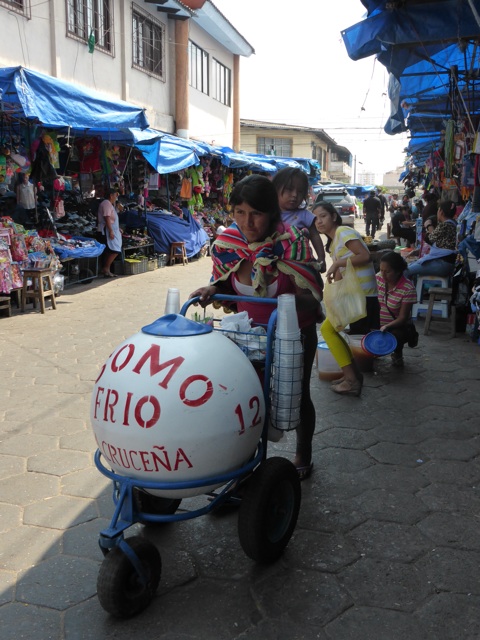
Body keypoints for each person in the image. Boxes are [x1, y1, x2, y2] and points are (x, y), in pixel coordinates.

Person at [190, 174, 323, 480]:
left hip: (294, 334)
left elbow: (313, 293)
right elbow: (226, 278)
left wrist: (287, 302)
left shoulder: (292, 242)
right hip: (247, 335)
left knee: (297, 395)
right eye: (239, 213)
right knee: (244, 394)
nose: (247, 223)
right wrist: (212, 288)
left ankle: (303, 453)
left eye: (256, 214)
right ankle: (244, 458)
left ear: (271, 214)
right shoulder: (228, 244)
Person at [313, 201, 379, 397]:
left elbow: (365, 256)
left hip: (363, 294)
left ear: (333, 216)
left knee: (327, 330)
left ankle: (352, 378)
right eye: (315, 218)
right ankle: (352, 375)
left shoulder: (343, 231)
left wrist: (337, 264)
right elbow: (346, 267)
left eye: (323, 216)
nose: (319, 221)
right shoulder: (334, 242)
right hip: (354, 294)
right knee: (330, 330)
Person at [272, 167, 326, 270]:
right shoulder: (269, 215)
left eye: (300, 191)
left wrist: (321, 258)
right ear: (276, 189)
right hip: (275, 266)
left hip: (301, 266)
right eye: (289, 189)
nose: (295, 195)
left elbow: (315, 236)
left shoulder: (305, 216)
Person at [377, 251, 417, 368]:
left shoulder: (407, 288)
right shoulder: (378, 279)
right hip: (377, 323)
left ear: (398, 271)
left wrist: (387, 326)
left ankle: (397, 353)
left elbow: (403, 318)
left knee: (396, 335)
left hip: (396, 326)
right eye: (381, 270)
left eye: (388, 272)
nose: (383, 275)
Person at [405, 199, 457, 280]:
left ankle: (407, 291)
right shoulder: (453, 224)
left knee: (406, 271)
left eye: (438, 210)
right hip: (444, 263)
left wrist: (428, 225)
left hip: (442, 264)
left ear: (441, 212)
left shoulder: (446, 225)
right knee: (410, 266)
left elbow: (430, 239)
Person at [96, 188, 122, 278]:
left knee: (111, 250)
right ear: (111, 195)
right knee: (114, 250)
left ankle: (107, 269)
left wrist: (117, 228)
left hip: (112, 229)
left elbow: (111, 218)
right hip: (106, 230)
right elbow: (107, 218)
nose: (116, 197)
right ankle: (106, 268)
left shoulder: (110, 204)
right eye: (115, 195)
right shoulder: (106, 203)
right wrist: (111, 230)